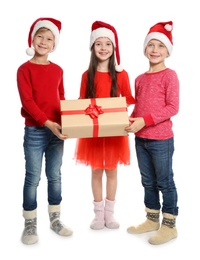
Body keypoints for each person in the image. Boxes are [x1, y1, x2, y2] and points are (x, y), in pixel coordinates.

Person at [17, 17, 73, 245]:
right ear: (33, 39)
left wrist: (67, 122)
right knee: (32, 177)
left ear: (54, 45)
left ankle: (55, 219)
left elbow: (61, 98)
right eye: (40, 36)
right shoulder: (24, 69)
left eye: (49, 38)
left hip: (57, 132)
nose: (44, 41)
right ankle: (30, 223)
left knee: (55, 176)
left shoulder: (58, 70)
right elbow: (28, 101)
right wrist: (47, 122)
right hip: (35, 131)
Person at [74, 21, 135, 230]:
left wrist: (114, 107)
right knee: (96, 171)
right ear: (92, 47)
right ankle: (98, 215)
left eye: (107, 44)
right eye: (98, 43)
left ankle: (110, 214)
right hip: (93, 132)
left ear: (114, 48)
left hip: (114, 131)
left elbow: (128, 98)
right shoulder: (86, 75)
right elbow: (82, 102)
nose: (103, 48)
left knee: (111, 171)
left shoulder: (121, 74)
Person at [125, 21, 179, 245]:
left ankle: (169, 225)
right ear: (145, 49)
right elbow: (139, 108)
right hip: (141, 140)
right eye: (151, 45)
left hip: (161, 140)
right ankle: (152, 218)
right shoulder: (139, 79)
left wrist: (144, 120)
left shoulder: (170, 75)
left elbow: (172, 107)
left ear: (168, 51)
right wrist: (129, 120)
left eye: (161, 46)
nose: (155, 50)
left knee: (164, 181)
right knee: (147, 181)